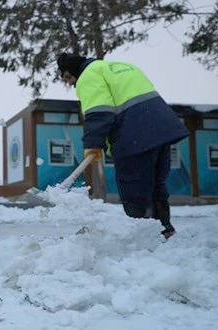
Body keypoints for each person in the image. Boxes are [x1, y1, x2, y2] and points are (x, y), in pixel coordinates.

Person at [57, 53, 189, 239]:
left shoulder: (88, 75)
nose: (70, 83)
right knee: (155, 185)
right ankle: (163, 229)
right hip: (161, 130)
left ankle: (142, 234)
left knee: (134, 185)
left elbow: (99, 112)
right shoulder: (122, 67)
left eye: (69, 77)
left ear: (76, 70)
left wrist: (92, 144)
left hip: (134, 135)